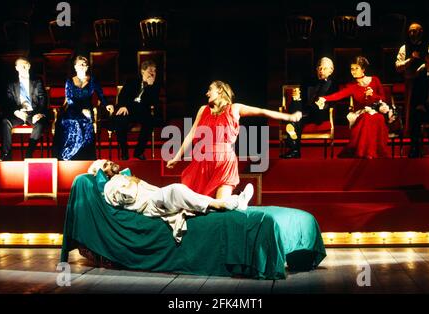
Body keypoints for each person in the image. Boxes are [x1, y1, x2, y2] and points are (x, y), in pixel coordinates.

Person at [166, 80, 301, 199]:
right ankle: (237, 202)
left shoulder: (235, 108)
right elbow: (191, 134)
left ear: (220, 90)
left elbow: (262, 111)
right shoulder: (203, 110)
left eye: (210, 90)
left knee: (221, 205)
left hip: (224, 162)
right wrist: (177, 157)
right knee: (198, 204)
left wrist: (288, 117)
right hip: (202, 162)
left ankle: (237, 202)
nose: (207, 93)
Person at [87, 159, 254, 242]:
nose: (110, 163)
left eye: (109, 161)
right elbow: (126, 197)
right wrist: (127, 182)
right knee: (176, 189)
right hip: (150, 205)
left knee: (186, 200)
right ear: (103, 173)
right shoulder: (110, 185)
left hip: (156, 197)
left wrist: (128, 180)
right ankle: (226, 203)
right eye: (106, 165)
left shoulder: (121, 177)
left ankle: (234, 203)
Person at [316, 56, 394, 159]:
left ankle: (375, 151)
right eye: (352, 69)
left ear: (363, 69)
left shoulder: (375, 80)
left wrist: (372, 95)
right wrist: (324, 98)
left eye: (356, 68)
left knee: (377, 118)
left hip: (377, 111)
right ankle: (365, 152)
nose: (353, 71)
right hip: (361, 113)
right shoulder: (352, 86)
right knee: (366, 118)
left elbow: (383, 98)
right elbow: (339, 95)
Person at [53, 55, 113, 160]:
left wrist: (107, 104)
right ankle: (69, 154)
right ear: (75, 67)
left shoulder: (92, 80)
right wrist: (81, 110)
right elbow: (69, 99)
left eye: (85, 64)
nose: (83, 66)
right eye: (80, 64)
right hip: (73, 108)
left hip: (87, 108)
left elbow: (101, 95)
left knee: (85, 121)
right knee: (71, 121)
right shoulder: (70, 81)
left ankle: (84, 156)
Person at [281, 57, 338, 158]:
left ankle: (294, 150)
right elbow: (303, 99)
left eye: (324, 69)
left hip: (320, 114)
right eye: (319, 68)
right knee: (295, 105)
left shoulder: (333, 84)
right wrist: (297, 97)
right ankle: (295, 150)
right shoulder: (308, 81)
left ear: (331, 70)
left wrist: (325, 103)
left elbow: (334, 100)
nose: (321, 71)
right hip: (306, 112)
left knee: (295, 118)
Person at [112, 60, 161, 160]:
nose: (152, 73)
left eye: (154, 71)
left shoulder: (155, 86)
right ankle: (124, 151)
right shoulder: (132, 81)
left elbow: (153, 102)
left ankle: (138, 152)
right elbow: (122, 96)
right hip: (128, 108)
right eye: (150, 71)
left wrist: (150, 87)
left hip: (142, 111)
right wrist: (123, 106)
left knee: (150, 122)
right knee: (120, 119)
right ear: (143, 71)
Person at [0, 57, 48, 160]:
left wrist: (39, 113)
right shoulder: (11, 82)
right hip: (18, 113)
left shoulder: (37, 80)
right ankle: (6, 155)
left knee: (39, 125)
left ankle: (29, 154)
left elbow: (42, 98)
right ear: (16, 68)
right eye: (21, 66)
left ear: (29, 66)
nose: (24, 67)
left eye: (26, 65)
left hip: (33, 112)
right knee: (5, 122)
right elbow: (9, 101)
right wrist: (17, 112)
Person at [395, 22, 429, 133]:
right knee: (411, 109)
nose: (411, 33)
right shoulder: (404, 48)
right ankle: (410, 133)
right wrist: (410, 60)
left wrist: (426, 66)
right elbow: (398, 67)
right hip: (411, 82)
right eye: (410, 31)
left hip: (427, 82)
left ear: (421, 32)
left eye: (414, 30)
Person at [408, 52, 429, 158]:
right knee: (416, 116)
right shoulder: (420, 77)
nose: (427, 64)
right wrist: (419, 104)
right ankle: (415, 148)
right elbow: (414, 97)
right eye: (426, 62)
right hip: (424, 108)